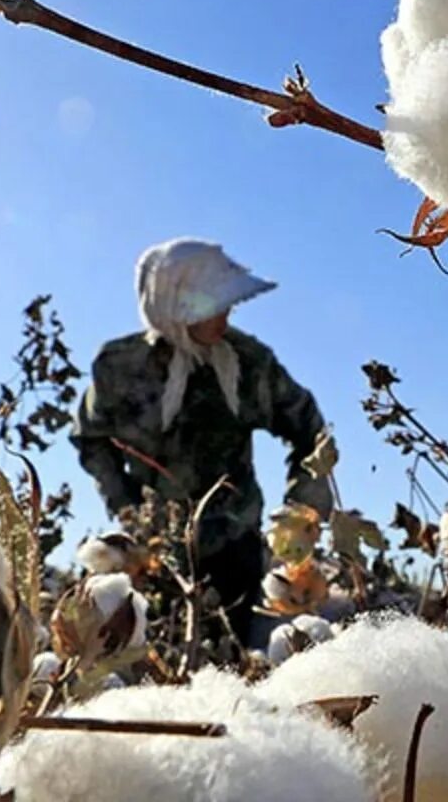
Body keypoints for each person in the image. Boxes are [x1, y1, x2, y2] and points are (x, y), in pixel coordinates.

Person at [70, 238, 335, 643]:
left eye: (226, 304)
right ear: (172, 304)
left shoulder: (249, 364)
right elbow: (91, 439)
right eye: (212, 305)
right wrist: (125, 507)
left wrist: (303, 513)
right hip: (154, 552)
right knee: (153, 655)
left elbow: (310, 431)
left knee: (240, 656)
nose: (224, 317)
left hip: (236, 546)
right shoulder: (119, 367)